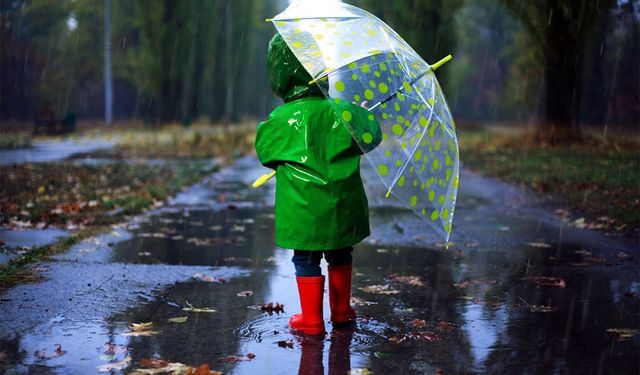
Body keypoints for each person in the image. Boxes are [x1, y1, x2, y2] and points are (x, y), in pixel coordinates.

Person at [255, 33, 381, 335]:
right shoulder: (343, 111)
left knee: (306, 258)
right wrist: (363, 115)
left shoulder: (280, 118)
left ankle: (311, 319)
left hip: (303, 209)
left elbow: (265, 152)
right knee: (341, 252)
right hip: (341, 205)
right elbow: (371, 137)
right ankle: (340, 311)